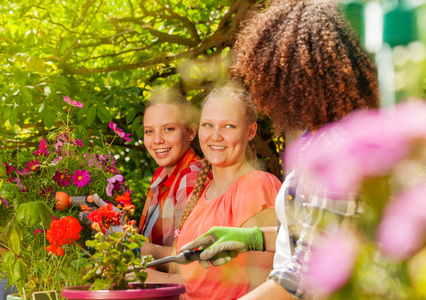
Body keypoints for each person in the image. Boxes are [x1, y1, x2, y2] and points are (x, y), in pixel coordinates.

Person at [180, 0, 379, 299]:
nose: (265, 89)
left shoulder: (338, 152)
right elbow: (319, 236)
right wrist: (253, 238)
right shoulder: (321, 139)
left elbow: (303, 278)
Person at [176, 82, 282, 299]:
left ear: (250, 131)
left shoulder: (255, 186)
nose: (216, 136)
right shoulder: (203, 191)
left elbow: (264, 287)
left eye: (229, 126)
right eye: (208, 125)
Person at [138, 87, 203, 271]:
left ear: (190, 133)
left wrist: (139, 251)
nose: (157, 139)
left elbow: (193, 260)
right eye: (149, 131)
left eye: (168, 129)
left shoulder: (192, 176)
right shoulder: (160, 176)